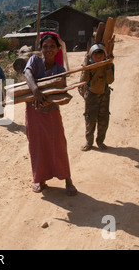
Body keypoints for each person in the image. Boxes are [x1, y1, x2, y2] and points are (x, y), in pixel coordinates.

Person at [23, 32, 77, 196]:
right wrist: (35, 90)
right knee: (37, 144)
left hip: (52, 111)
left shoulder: (60, 70)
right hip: (34, 111)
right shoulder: (35, 60)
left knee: (58, 144)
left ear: (58, 49)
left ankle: (67, 179)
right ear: (41, 49)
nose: (48, 49)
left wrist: (56, 100)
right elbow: (27, 73)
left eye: (52, 46)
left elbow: (60, 93)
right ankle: (39, 179)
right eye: (45, 46)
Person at [80, 43, 115, 151]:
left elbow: (110, 81)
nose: (98, 58)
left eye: (101, 56)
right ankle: (89, 142)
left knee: (104, 119)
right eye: (95, 56)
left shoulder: (109, 65)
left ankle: (100, 141)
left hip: (104, 94)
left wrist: (109, 68)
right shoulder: (88, 66)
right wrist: (86, 66)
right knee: (90, 119)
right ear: (91, 56)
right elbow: (84, 81)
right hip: (91, 95)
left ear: (104, 55)